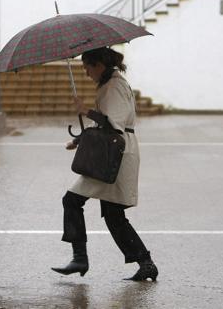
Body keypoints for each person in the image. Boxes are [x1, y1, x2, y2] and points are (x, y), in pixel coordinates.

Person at [51, 47, 158, 281]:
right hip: (111, 152)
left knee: (74, 201)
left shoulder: (115, 85)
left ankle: (80, 258)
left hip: (116, 154)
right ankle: (145, 262)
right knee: (113, 214)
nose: (86, 73)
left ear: (98, 64)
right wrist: (80, 140)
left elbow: (113, 125)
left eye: (87, 67)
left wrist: (85, 110)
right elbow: (106, 126)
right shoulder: (110, 83)